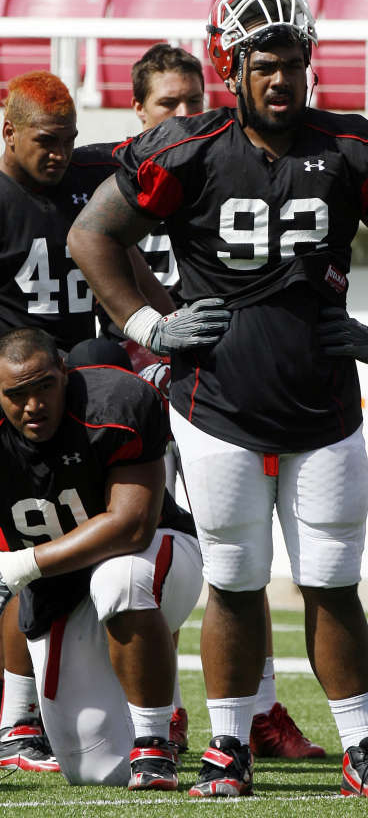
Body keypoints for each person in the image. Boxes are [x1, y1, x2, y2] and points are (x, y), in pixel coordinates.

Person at [67, 0, 368, 800]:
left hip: (325, 404)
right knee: (236, 582)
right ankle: (228, 748)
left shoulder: (351, 147)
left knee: (332, 580)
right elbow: (92, 233)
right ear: (231, 67)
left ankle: (364, 748)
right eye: (266, 63)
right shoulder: (188, 148)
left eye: (295, 62)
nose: (283, 78)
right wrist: (146, 327)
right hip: (217, 405)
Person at [125, 42, 325, 761]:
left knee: (235, 555)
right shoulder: (118, 174)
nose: (182, 115)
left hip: (212, 384)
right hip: (135, 383)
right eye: (166, 105)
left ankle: (259, 707)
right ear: (136, 110)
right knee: (149, 551)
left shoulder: (210, 159)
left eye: (191, 102)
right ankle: (163, 711)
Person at [0, 69, 175, 773]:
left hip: (92, 397)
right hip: (20, 405)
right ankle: (16, 720)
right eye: (47, 141)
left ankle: (169, 709)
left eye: (71, 141)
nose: (61, 155)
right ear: (7, 130)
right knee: (23, 556)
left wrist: (169, 332)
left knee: (132, 547)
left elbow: (127, 251)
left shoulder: (95, 171)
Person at [0, 326, 203, 788]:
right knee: (95, 771)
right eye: (16, 394)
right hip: (60, 592)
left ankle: (154, 742)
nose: (33, 405)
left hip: (153, 556)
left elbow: (131, 526)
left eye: (44, 386)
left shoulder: (114, 403)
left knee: (119, 579)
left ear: (65, 373)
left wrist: (19, 565)